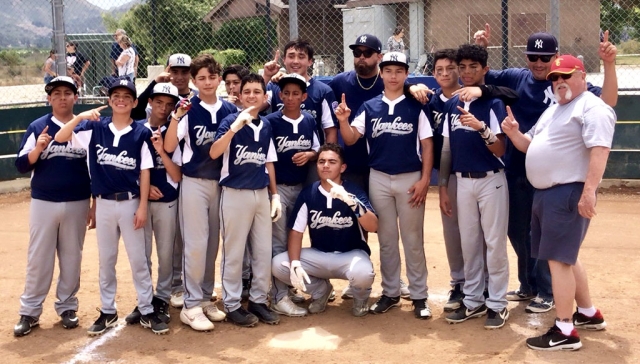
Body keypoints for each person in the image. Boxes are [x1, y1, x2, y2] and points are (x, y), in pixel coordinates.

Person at [472, 26, 618, 314]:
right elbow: (481, 76)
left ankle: (550, 295)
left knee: (557, 250)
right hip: (520, 172)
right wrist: (513, 133)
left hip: (563, 185)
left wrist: (610, 65)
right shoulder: (531, 88)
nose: (540, 64)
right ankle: (531, 286)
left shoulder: (582, 100)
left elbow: (609, 103)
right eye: (534, 57)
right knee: (521, 232)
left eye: (547, 60)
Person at [501, 55, 614, 350]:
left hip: (567, 191)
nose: (559, 81)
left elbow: (600, 149)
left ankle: (565, 330)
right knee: (567, 255)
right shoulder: (556, 109)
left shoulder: (591, 106)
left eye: (566, 75)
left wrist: (589, 191)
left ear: (582, 76)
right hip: (547, 194)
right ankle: (588, 313)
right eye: (554, 77)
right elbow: (530, 145)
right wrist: (513, 134)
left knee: (559, 259)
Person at [54, 79, 169, 336]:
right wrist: (81, 115)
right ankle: (108, 310)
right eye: (116, 95)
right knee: (106, 261)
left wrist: (142, 207)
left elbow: (145, 170)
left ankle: (147, 310)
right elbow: (62, 137)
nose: (121, 100)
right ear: (109, 101)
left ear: (135, 103)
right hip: (104, 204)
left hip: (130, 203)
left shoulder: (141, 133)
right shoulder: (95, 127)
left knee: (138, 260)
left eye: (127, 97)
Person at [336, 51, 434, 320]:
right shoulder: (370, 106)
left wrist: (425, 179)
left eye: (399, 71)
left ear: (406, 74)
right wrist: (344, 121)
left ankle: (419, 296)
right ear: (381, 73)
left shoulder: (415, 105)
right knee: (387, 240)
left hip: (410, 178)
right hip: (378, 177)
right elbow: (351, 138)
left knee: (413, 239)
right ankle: (390, 292)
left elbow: (427, 144)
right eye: (388, 70)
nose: (393, 76)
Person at [429, 49, 518, 312]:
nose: (467, 72)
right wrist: (443, 187)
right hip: (462, 181)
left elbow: (500, 149)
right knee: (468, 242)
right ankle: (473, 300)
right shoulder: (450, 103)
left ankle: (498, 302)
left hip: (491, 179)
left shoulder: (493, 103)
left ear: (484, 70)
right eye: (463, 66)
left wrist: (481, 128)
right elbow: (446, 149)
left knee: (493, 243)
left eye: (473, 67)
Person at [13, 76, 93, 337]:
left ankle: (68, 307)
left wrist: (93, 203)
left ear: (75, 98)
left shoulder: (85, 127)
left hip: (78, 200)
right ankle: (30, 312)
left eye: (67, 93)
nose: (61, 97)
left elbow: (95, 167)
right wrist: (37, 148)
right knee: (39, 258)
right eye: (56, 93)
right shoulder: (39, 126)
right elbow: (22, 165)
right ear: (49, 99)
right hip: (44, 201)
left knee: (72, 256)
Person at [163, 54, 237, 332]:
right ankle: (191, 304)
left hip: (222, 183)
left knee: (212, 244)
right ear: (194, 82)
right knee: (195, 244)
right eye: (201, 78)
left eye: (212, 76)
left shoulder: (230, 109)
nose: (207, 82)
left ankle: (205, 297)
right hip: (194, 182)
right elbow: (170, 146)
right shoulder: (188, 108)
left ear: (219, 79)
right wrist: (175, 118)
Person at [271, 143, 377, 317]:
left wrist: (352, 203)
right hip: (318, 255)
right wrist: (295, 263)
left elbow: (373, 227)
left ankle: (361, 297)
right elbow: (296, 232)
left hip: (350, 255)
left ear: (342, 167)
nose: (326, 165)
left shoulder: (353, 191)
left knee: (363, 274)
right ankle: (321, 291)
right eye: (321, 161)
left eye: (332, 162)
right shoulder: (309, 193)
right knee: (279, 265)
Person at [210, 73, 282, 327]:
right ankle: (231, 304)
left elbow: (269, 161)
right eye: (247, 91)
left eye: (257, 92)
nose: (252, 96)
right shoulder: (229, 120)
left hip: (260, 193)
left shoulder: (266, 126)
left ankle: (259, 300)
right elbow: (214, 151)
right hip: (235, 193)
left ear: (265, 97)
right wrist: (234, 127)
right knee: (234, 252)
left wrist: (275, 195)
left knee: (263, 251)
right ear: (239, 96)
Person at [124, 83, 182, 326]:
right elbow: (129, 167)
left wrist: (162, 151)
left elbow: (177, 174)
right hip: (142, 202)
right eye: (159, 102)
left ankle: (161, 297)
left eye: (169, 104)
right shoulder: (137, 130)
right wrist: (143, 191)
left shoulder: (174, 130)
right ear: (150, 102)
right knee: (143, 253)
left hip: (168, 199)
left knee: (166, 253)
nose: (164, 108)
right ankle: (145, 298)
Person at [262, 39, 338, 146]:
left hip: (311, 156)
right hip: (279, 157)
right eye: (291, 56)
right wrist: (266, 76)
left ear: (310, 61)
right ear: (284, 60)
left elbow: (330, 130)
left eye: (301, 57)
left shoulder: (323, 91)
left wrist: (327, 159)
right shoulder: (274, 86)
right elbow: (254, 107)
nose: (296, 61)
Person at [131, 53, 195, 122]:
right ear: (168, 71)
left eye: (184, 72)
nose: (179, 77)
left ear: (191, 73)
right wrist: (155, 82)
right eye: (175, 72)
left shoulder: (198, 97)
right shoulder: (161, 97)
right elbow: (135, 112)